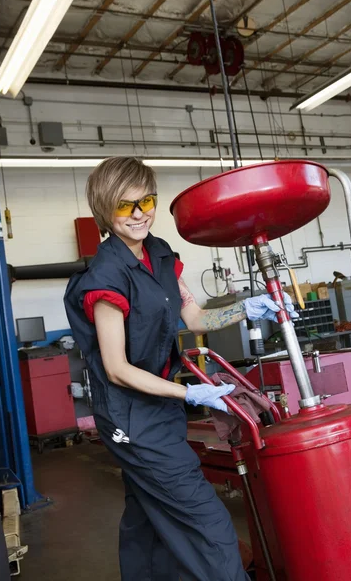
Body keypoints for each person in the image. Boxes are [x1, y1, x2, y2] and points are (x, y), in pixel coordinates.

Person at [64, 157, 297, 581]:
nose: (139, 214)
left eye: (146, 201)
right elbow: (116, 368)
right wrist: (190, 393)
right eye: (125, 206)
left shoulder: (160, 254)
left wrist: (246, 307)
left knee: (147, 518)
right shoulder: (106, 277)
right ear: (104, 208)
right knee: (207, 525)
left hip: (161, 408)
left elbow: (195, 319)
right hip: (131, 417)